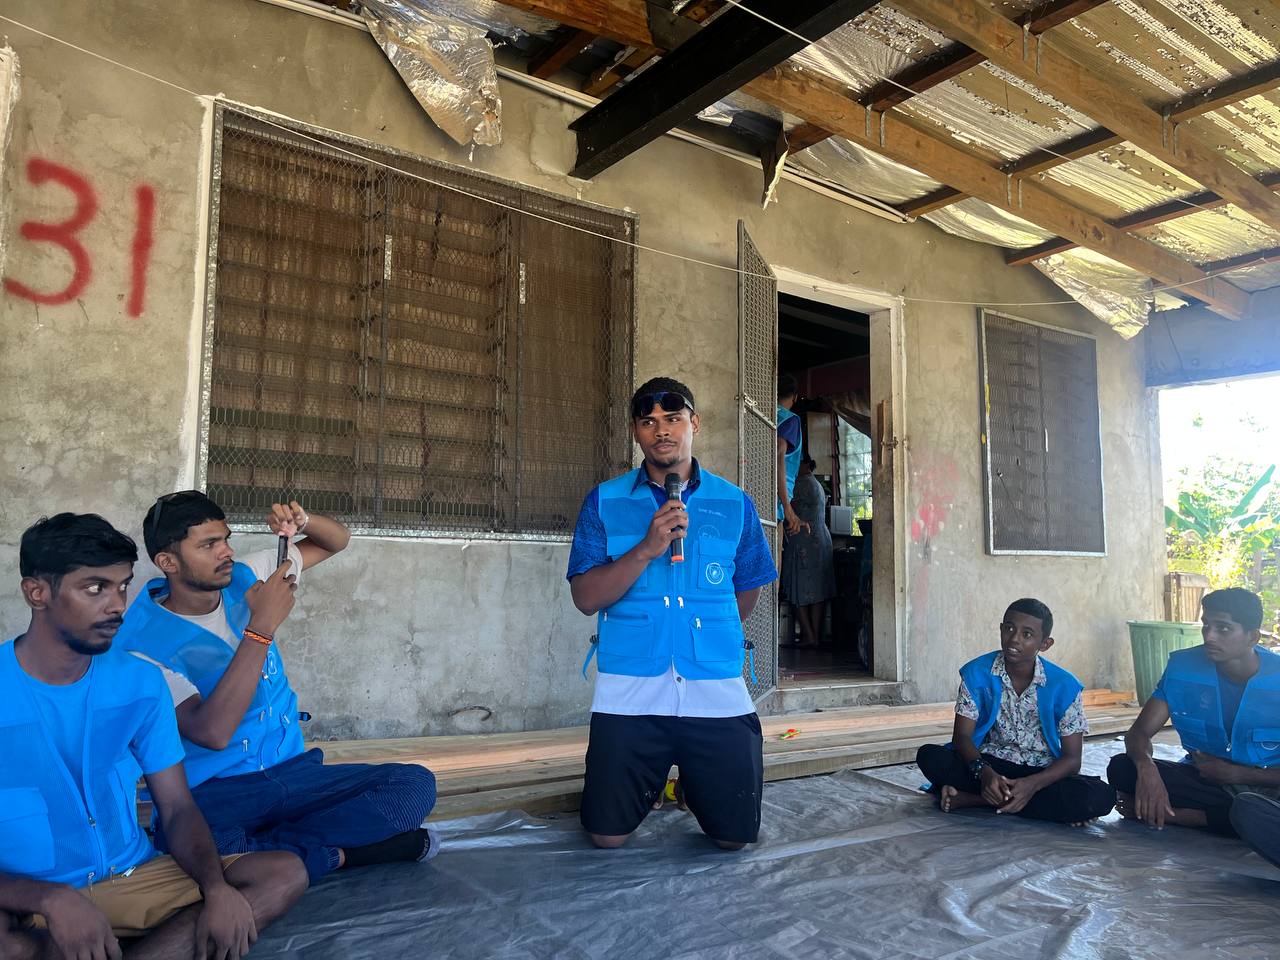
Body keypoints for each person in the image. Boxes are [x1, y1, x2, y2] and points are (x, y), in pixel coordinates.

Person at [0, 514, 307, 960]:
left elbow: (177, 807)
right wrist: (48, 898)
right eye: (95, 588)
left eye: (122, 587)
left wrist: (214, 887)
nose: (116, 605)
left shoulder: (139, 682)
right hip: (26, 892)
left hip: (132, 875)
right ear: (37, 593)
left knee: (282, 874)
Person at [114, 491, 438, 885]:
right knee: (195, 840)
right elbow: (211, 733)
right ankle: (337, 853)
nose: (226, 552)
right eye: (209, 545)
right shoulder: (140, 645)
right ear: (168, 562)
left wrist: (305, 522)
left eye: (226, 539)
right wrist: (261, 627)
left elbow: (335, 541)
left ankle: (279, 854)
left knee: (413, 786)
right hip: (219, 793)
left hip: (294, 774)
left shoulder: (245, 577)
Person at [567, 377, 778, 850]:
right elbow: (585, 597)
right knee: (605, 837)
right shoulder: (603, 501)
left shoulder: (735, 503)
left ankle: (694, 785)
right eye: (648, 421)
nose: (661, 430)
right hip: (631, 690)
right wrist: (646, 548)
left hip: (713, 688)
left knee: (734, 840)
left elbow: (747, 591)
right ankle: (655, 779)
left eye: (673, 419)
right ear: (636, 432)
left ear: (694, 424)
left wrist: (706, 639)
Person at [915, 598, 1116, 825]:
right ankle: (1010, 799)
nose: (1014, 639)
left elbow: (1072, 760)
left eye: (1026, 634)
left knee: (1100, 797)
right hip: (990, 764)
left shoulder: (1064, 686)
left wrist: (1032, 785)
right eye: (1009, 628)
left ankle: (975, 800)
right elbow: (961, 737)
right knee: (930, 756)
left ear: (1045, 644)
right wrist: (984, 773)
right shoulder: (977, 673)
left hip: (1040, 772)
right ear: (1001, 629)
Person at [1107, 587, 1280, 835]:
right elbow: (1139, 733)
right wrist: (1147, 769)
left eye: (1223, 628)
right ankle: (1233, 820)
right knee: (1122, 768)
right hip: (1208, 782)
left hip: (1270, 785)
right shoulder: (1182, 668)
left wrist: (1237, 774)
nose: (1209, 636)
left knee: (1256, 811)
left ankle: (1181, 816)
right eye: (1206, 625)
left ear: (1252, 637)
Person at [781, 458, 836, 648]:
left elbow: (784, 505)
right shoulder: (817, 484)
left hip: (804, 541)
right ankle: (814, 635)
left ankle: (810, 635)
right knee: (817, 591)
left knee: (799, 589)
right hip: (820, 540)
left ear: (805, 465)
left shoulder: (801, 484)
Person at [776, 373, 806, 537]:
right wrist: (787, 507)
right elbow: (779, 456)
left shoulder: (762, 414)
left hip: (753, 489)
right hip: (776, 499)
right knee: (773, 548)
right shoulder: (790, 420)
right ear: (795, 397)